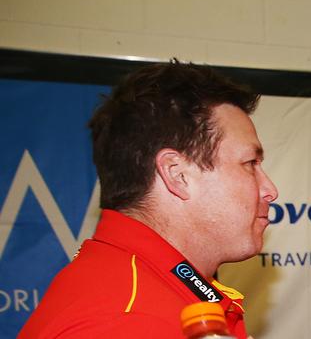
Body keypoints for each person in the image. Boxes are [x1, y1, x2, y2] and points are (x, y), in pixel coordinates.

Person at [19, 61, 278, 339]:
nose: (270, 190)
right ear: (177, 175)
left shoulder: (141, 289)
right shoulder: (127, 321)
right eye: (250, 163)